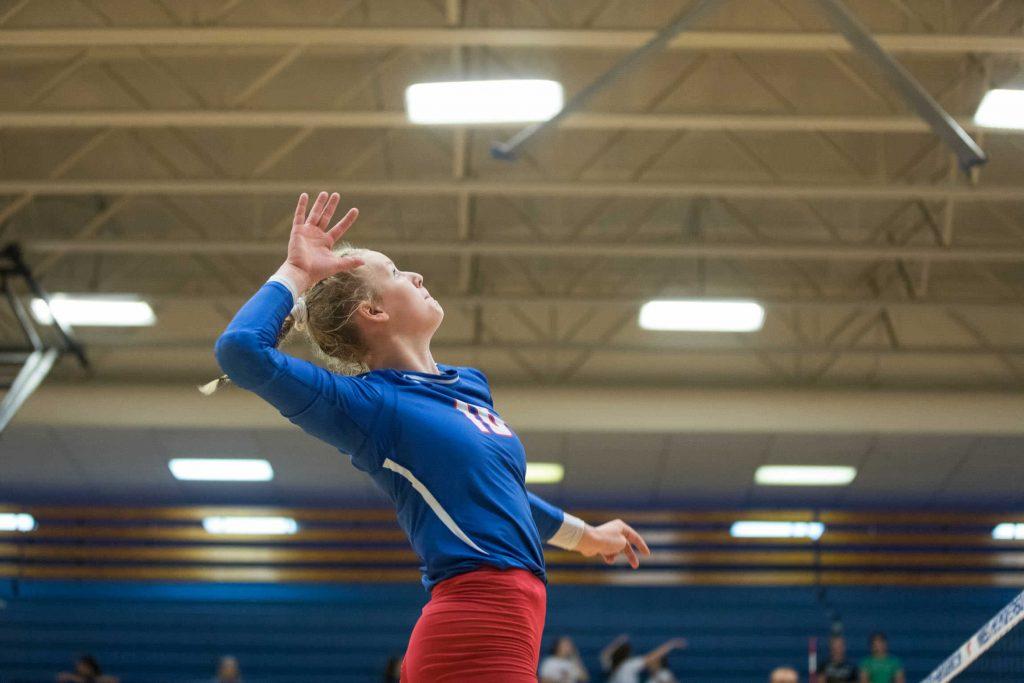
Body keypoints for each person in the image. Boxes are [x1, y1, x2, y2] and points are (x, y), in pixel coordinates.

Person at [211, 191, 652, 682]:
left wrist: (585, 536)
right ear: (373, 311)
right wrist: (297, 272)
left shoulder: (469, 385)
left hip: (512, 619)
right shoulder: (371, 406)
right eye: (397, 272)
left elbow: (496, 492)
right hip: (473, 626)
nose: (417, 275)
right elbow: (240, 351)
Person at [600, 634, 686, 683]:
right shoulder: (629, 665)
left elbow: (604, 654)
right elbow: (651, 657)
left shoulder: (610, 665)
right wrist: (671, 644)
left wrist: (617, 642)